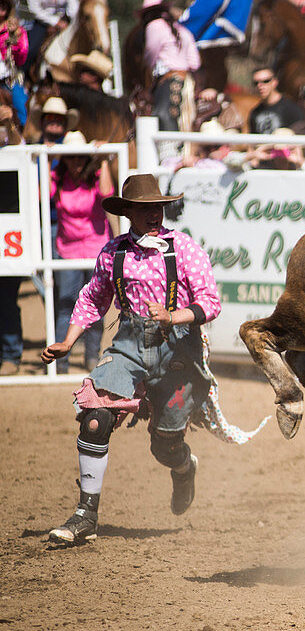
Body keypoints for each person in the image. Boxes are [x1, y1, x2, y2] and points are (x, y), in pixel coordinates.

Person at [41, 173, 222, 545]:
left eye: (157, 208)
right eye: (144, 209)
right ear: (128, 213)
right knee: (94, 420)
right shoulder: (113, 253)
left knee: (166, 443)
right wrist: (68, 340)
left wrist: (175, 316)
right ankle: (85, 515)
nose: (154, 215)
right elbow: (93, 298)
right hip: (128, 348)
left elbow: (210, 302)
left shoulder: (183, 248)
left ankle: (183, 466)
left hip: (178, 355)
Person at [50, 129, 113, 373]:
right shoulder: (57, 176)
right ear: (64, 158)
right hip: (67, 250)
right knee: (66, 303)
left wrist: (104, 159)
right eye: (71, 156)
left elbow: (108, 194)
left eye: (81, 156)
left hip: (96, 249)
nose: (76, 161)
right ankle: (61, 359)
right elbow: (41, 195)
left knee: (97, 304)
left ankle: (91, 356)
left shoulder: (96, 174)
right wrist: (47, 159)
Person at [136, 0, 202, 137]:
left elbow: (150, 53)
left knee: (162, 114)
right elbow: (195, 63)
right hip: (187, 80)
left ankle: (170, 153)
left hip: (169, 80)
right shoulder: (183, 30)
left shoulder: (154, 26)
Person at [247, 66, 304, 135]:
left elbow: (299, 137)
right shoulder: (255, 112)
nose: (260, 86)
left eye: (265, 81)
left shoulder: (292, 109)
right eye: (256, 83)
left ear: (275, 82)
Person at [25, 0, 76, 73]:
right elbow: (34, 9)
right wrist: (55, 22)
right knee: (30, 50)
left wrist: (69, 21)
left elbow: (74, 7)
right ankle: (24, 76)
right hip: (42, 21)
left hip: (64, 21)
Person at [0, 0, 28, 127]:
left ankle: (24, 135)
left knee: (22, 109)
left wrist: (14, 39)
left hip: (7, 79)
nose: (2, 6)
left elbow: (21, 59)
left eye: (4, 4)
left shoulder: (17, 30)